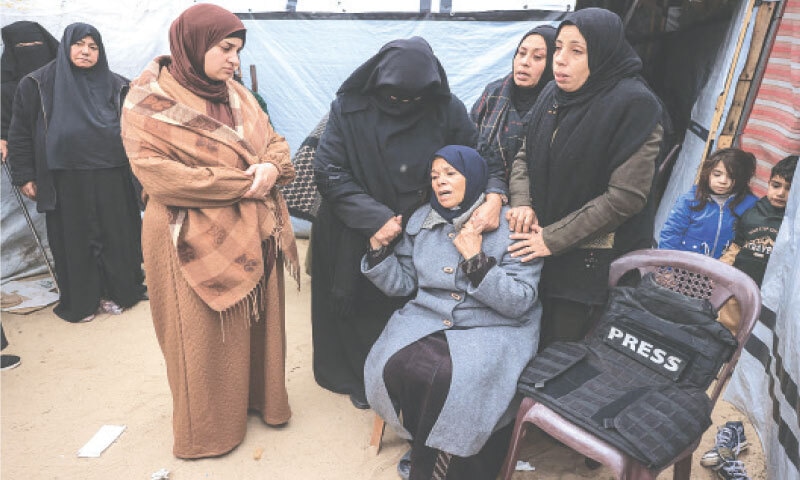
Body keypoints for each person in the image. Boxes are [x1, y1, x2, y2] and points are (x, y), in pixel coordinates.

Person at [120, 4, 300, 458]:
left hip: (251, 226)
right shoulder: (147, 101)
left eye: (237, 50)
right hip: (184, 234)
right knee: (201, 335)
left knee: (253, 325)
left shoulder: (236, 94)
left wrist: (270, 166)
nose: (233, 59)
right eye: (225, 48)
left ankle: (258, 401)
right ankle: (208, 431)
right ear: (194, 43)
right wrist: (248, 182)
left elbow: (275, 142)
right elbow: (156, 174)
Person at [311, 36, 507, 409]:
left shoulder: (446, 109)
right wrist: (375, 218)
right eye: (394, 97)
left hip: (419, 226)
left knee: (404, 303)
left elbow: (482, 158)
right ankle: (356, 378)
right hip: (355, 218)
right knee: (355, 303)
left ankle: (396, 379)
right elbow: (329, 169)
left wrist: (495, 195)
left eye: (412, 99)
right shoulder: (349, 108)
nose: (403, 105)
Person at [362, 145, 542, 480]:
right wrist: (377, 250)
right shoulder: (420, 221)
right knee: (397, 365)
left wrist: (477, 261)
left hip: (495, 326)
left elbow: (520, 300)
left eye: (450, 173)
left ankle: (449, 464)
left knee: (452, 379)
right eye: (434, 176)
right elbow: (402, 284)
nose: (440, 182)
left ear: (473, 176)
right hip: (428, 318)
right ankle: (425, 449)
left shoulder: (513, 223)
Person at [507, 8, 666, 348]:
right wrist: (522, 204)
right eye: (559, 48)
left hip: (592, 265)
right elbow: (524, 154)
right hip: (542, 246)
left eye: (576, 51)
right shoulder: (553, 94)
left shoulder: (635, 104)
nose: (560, 60)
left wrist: (553, 238)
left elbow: (625, 196)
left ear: (603, 52)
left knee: (566, 352)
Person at [7, 23, 145, 323]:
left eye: (93, 47)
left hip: (112, 174)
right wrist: (25, 175)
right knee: (74, 240)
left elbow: (138, 132)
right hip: (64, 178)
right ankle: (83, 302)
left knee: (117, 236)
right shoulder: (37, 84)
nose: (86, 51)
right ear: (65, 46)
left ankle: (119, 293)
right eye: (79, 44)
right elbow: (19, 133)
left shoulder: (118, 84)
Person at [715, 154, 796, 333]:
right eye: (776, 185)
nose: (781, 193)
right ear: (768, 183)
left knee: (755, 338)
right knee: (724, 331)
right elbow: (736, 246)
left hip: (770, 297)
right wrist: (719, 272)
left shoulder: (794, 224)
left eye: (790, 189)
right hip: (739, 286)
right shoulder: (754, 212)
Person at [471, 24, 556, 189]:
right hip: (485, 190)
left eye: (537, 57)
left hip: (536, 199)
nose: (524, 62)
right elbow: (469, 140)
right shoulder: (493, 93)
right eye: (521, 53)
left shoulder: (558, 102)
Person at [659, 148, 758, 258]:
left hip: (720, 271)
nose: (723, 181)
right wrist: (665, 269)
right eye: (717, 174)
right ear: (707, 173)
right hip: (683, 267)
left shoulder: (750, 205)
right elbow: (670, 235)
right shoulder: (689, 201)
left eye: (731, 176)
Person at [1, 21, 59, 162]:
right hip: (31, 164)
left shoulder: (66, 81)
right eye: (21, 47)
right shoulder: (5, 90)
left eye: (36, 44)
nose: (30, 51)